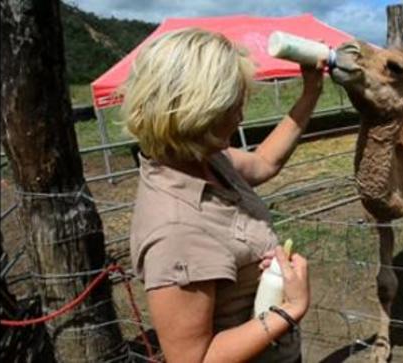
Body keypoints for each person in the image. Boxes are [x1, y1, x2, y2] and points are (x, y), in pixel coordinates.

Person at [123, 28, 325, 362]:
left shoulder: (201, 158)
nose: (241, 117)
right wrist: (291, 308)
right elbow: (194, 359)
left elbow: (264, 161)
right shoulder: (176, 230)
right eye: (231, 107)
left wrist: (311, 92)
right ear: (197, 112)